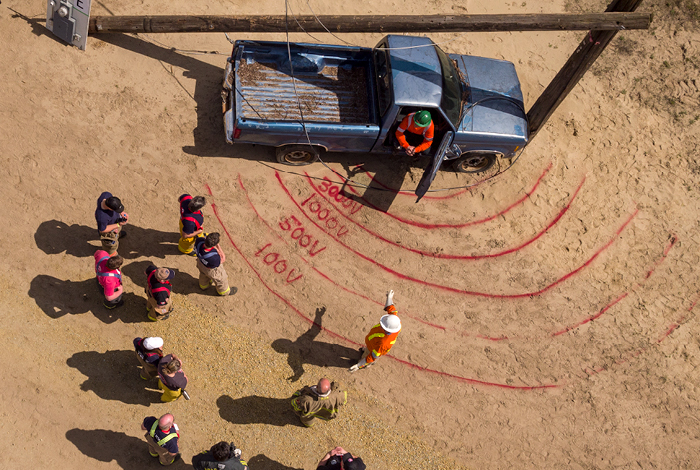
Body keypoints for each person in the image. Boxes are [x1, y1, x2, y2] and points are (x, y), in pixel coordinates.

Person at [349, 290, 401, 372]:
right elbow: (390, 307)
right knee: (367, 350)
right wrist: (389, 298)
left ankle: (365, 365)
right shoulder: (395, 321)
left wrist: (358, 365)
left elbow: (372, 356)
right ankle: (366, 350)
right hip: (372, 343)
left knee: (367, 357)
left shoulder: (383, 344)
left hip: (373, 349)